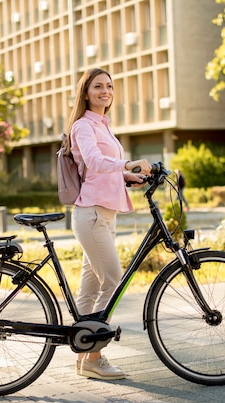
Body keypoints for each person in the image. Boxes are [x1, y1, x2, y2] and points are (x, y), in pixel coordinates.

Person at [64, 68, 151, 380]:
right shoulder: (83, 126)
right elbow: (95, 162)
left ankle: (83, 355)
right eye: (98, 86)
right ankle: (94, 356)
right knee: (113, 280)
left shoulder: (103, 125)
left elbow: (106, 170)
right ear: (86, 92)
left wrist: (131, 176)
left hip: (105, 215)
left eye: (109, 86)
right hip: (92, 215)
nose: (105, 91)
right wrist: (127, 163)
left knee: (89, 290)